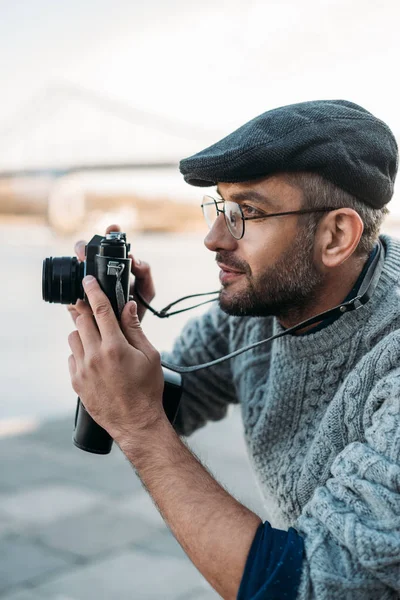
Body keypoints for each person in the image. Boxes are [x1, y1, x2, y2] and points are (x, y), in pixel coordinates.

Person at [67, 99, 400, 599]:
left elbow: (317, 586)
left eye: (246, 212)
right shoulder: (257, 308)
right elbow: (158, 407)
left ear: (336, 236)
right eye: (220, 207)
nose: (213, 238)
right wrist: (116, 330)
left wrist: (140, 425)